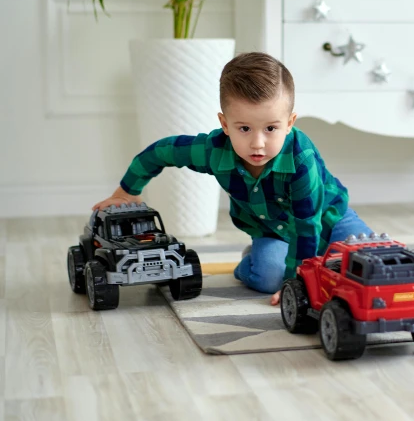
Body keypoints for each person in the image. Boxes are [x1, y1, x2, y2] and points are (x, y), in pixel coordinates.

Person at [93, 52, 374, 305]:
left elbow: (308, 226)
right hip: (271, 231)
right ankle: (250, 261)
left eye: (271, 128)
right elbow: (160, 152)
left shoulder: (301, 161)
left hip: (328, 217)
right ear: (225, 124)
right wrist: (126, 191)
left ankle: (322, 263)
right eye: (244, 128)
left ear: (290, 123)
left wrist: (299, 283)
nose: (258, 143)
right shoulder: (215, 151)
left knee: (368, 259)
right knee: (269, 278)